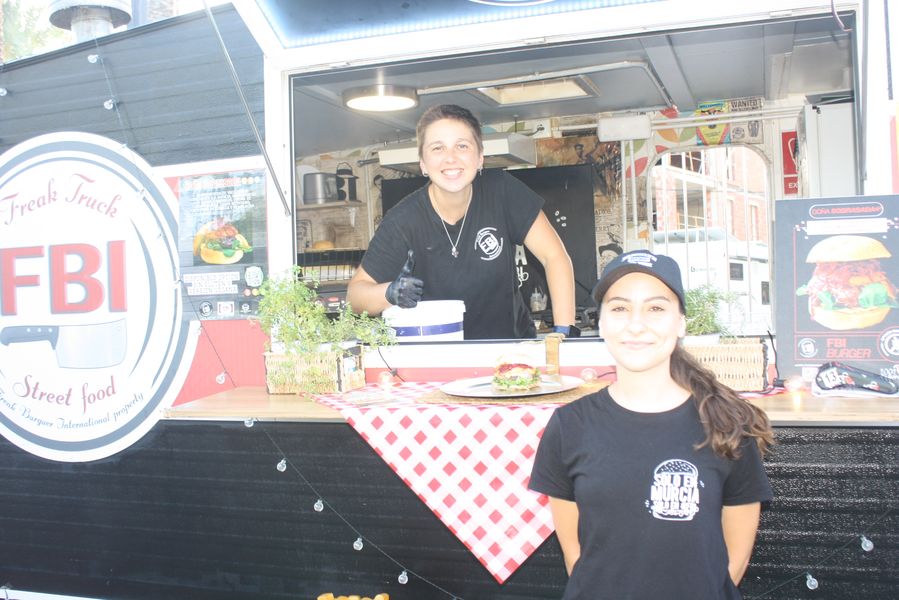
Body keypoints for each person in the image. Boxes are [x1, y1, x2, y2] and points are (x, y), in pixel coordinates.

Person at [529, 249, 774, 599]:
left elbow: (734, 560)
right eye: (619, 308)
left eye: (656, 308)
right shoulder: (569, 426)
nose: (636, 325)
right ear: (601, 323)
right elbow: (576, 556)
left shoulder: (726, 423)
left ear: (681, 322)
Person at [347, 104, 577, 339]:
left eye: (462, 146)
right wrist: (389, 292)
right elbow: (355, 296)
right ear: (423, 163)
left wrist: (564, 332)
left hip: (511, 349)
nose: (450, 158)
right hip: (439, 353)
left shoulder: (503, 191)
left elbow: (554, 256)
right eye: (437, 148)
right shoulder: (402, 221)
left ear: (480, 157)